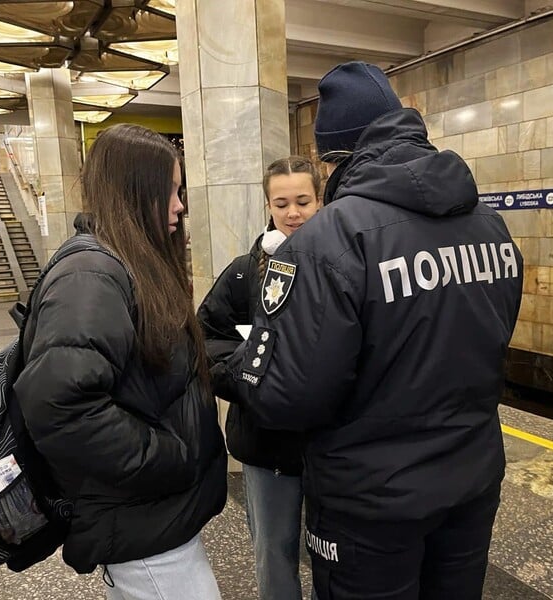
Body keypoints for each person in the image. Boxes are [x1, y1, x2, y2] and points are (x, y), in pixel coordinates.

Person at [216, 62, 524, 599]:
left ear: (335, 157)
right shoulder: (490, 225)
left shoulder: (330, 240)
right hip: (472, 479)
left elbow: (293, 399)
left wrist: (233, 370)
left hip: (369, 501)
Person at [13, 124, 227, 599]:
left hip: (150, 518)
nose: (180, 206)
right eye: (170, 191)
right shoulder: (92, 272)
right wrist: (166, 457)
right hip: (143, 521)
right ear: (135, 192)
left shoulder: (124, 262)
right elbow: (58, 403)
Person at [197, 156, 322, 600]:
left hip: (334, 444)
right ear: (268, 205)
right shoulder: (242, 273)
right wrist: (249, 374)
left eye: (303, 201)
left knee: (339, 552)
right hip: (267, 443)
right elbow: (206, 339)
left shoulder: (346, 266)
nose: (293, 214)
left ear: (321, 201)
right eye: (281, 203)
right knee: (274, 553)